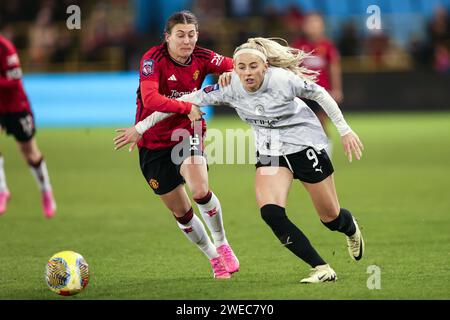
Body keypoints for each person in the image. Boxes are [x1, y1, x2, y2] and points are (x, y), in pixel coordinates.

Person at [114, 37, 365, 283]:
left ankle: (350, 228)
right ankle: (321, 268)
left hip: (304, 146)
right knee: (270, 212)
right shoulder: (229, 86)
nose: (247, 73)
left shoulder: (283, 80)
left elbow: (320, 94)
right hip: (271, 153)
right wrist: (141, 127)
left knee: (330, 218)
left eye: (253, 66)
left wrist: (344, 130)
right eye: (241, 67)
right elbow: (182, 101)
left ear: (265, 67)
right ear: (234, 69)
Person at [115, 11, 239, 279]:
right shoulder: (152, 59)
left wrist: (230, 72)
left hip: (185, 132)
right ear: (167, 37)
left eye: (191, 35)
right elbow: (150, 100)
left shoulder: (203, 57)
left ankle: (223, 244)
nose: (187, 41)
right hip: (152, 143)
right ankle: (213, 257)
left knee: (200, 190)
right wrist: (186, 106)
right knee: (181, 211)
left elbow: (237, 63)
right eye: (180, 35)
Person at [0, 34, 56, 218]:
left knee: (29, 151)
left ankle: (45, 190)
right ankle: (2, 190)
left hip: (16, 106)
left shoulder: (5, 48)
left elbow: (15, 82)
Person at [291, 13, 343, 157]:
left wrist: (337, 89)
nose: (313, 27)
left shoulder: (327, 45)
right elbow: (291, 67)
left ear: (322, 26)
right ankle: (303, 156)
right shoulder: (298, 45)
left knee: (321, 124)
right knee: (301, 124)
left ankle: (326, 155)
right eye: (310, 24)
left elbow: (334, 67)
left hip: (321, 93)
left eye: (316, 24)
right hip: (302, 93)